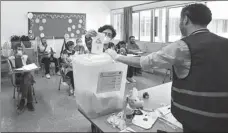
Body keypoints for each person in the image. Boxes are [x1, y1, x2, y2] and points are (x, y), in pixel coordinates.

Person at [106, 3, 228, 132]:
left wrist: (117, 57)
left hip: (195, 117)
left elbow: (146, 61)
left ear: (185, 19)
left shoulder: (182, 46)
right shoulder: (225, 43)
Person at [9, 43, 35, 112]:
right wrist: (14, 61)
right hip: (18, 78)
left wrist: (24, 61)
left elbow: (32, 66)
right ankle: (29, 102)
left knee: (27, 76)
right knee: (28, 80)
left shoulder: (26, 57)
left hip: (27, 76)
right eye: (18, 49)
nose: (20, 50)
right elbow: (13, 71)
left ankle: (23, 100)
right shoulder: (13, 58)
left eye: (21, 49)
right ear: (15, 50)